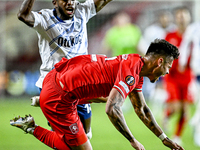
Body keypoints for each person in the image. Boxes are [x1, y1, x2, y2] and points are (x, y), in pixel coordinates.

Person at [10, 39, 184, 150]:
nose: (168, 72)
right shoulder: (131, 72)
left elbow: (142, 109)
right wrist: (133, 140)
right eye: (168, 66)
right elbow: (112, 110)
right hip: (60, 94)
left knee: (81, 137)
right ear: (159, 62)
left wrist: (163, 138)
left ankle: (41, 105)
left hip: (60, 84)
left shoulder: (135, 66)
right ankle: (32, 127)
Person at [17, 0, 112, 139]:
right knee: (66, 138)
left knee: (86, 136)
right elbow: (23, 16)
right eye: (65, 0)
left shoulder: (81, 12)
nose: (70, 3)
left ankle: (37, 114)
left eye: (73, 0)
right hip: (53, 86)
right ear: (55, 2)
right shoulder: (44, 19)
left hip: (79, 83)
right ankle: (41, 111)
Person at [163, 6, 195, 144]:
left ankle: (177, 136)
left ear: (189, 17)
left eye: (184, 15)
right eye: (179, 16)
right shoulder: (170, 36)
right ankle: (167, 115)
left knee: (185, 109)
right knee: (176, 107)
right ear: (176, 18)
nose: (182, 18)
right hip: (172, 76)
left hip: (188, 75)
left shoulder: (194, 36)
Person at [137, 10, 176, 102]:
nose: (165, 20)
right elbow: (140, 46)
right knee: (154, 87)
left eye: (167, 17)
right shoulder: (151, 31)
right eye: (163, 17)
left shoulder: (174, 30)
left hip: (171, 65)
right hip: (155, 64)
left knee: (169, 88)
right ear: (159, 18)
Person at [178, 22, 200, 147]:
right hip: (197, 69)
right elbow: (185, 44)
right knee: (195, 100)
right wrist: (182, 60)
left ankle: (196, 124)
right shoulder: (194, 27)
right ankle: (196, 123)